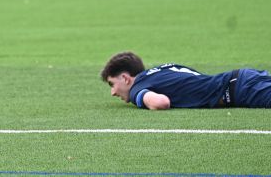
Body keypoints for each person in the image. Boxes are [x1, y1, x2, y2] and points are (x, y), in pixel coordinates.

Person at [101, 51, 271, 110]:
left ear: (125, 78)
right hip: (244, 77)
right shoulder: (162, 69)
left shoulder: (138, 88)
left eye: (112, 84)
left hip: (241, 90)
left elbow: (161, 102)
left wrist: (140, 100)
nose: (113, 92)